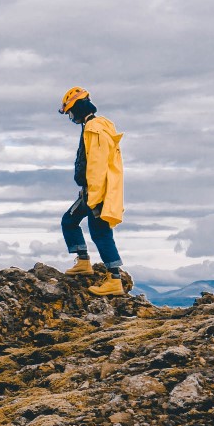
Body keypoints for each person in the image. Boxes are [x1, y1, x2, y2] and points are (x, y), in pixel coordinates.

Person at [58, 87, 128, 297]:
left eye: (70, 112)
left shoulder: (94, 129)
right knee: (70, 222)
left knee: (100, 233)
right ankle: (83, 262)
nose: (71, 117)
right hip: (94, 191)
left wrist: (94, 197)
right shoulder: (95, 126)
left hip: (96, 192)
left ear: (77, 108)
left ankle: (114, 279)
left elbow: (96, 165)